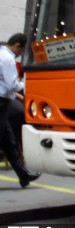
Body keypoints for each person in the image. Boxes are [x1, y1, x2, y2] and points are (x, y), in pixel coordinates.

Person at [0, 33, 40, 188]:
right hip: (1, 102)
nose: (20, 55)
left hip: (3, 102)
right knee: (4, 138)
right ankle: (24, 174)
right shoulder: (8, 58)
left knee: (8, 141)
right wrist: (28, 87)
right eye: (22, 51)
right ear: (17, 45)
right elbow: (11, 84)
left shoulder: (1, 53)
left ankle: (24, 175)